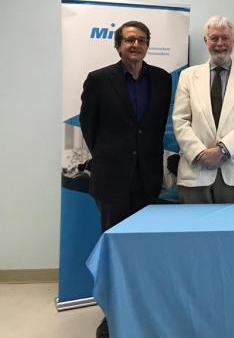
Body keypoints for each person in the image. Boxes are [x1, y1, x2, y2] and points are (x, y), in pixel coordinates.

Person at [79, 20, 172, 338]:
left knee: (144, 249)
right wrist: (111, 158)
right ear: (118, 45)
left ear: (148, 45)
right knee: (115, 250)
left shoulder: (161, 79)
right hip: (112, 180)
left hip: (148, 178)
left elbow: (156, 126)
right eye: (129, 40)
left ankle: (142, 310)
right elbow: (89, 127)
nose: (136, 45)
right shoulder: (99, 79)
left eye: (142, 40)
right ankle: (112, 314)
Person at [172, 16, 234, 203]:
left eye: (225, 38)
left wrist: (222, 150)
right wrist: (200, 153)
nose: (220, 43)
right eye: (214, 38)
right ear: (206, 41)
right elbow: (180, 120)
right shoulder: (188, 76)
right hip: (196, 169)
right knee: (193, 222)